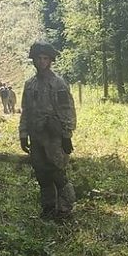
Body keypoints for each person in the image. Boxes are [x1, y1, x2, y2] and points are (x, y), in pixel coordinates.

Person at [19, 41, 77, 220]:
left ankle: (66, 209)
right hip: (36, 137)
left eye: (45, 58)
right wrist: (23, 134)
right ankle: (48, 207)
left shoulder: (58, 84)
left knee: (58, 174)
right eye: (38, 58)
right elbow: (25, 111)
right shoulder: (30, 85)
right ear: (34, 60)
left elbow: (67, 110)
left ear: (51, 60)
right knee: (42, 175)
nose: (42, 62)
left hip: (54, 138)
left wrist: (67, 135)